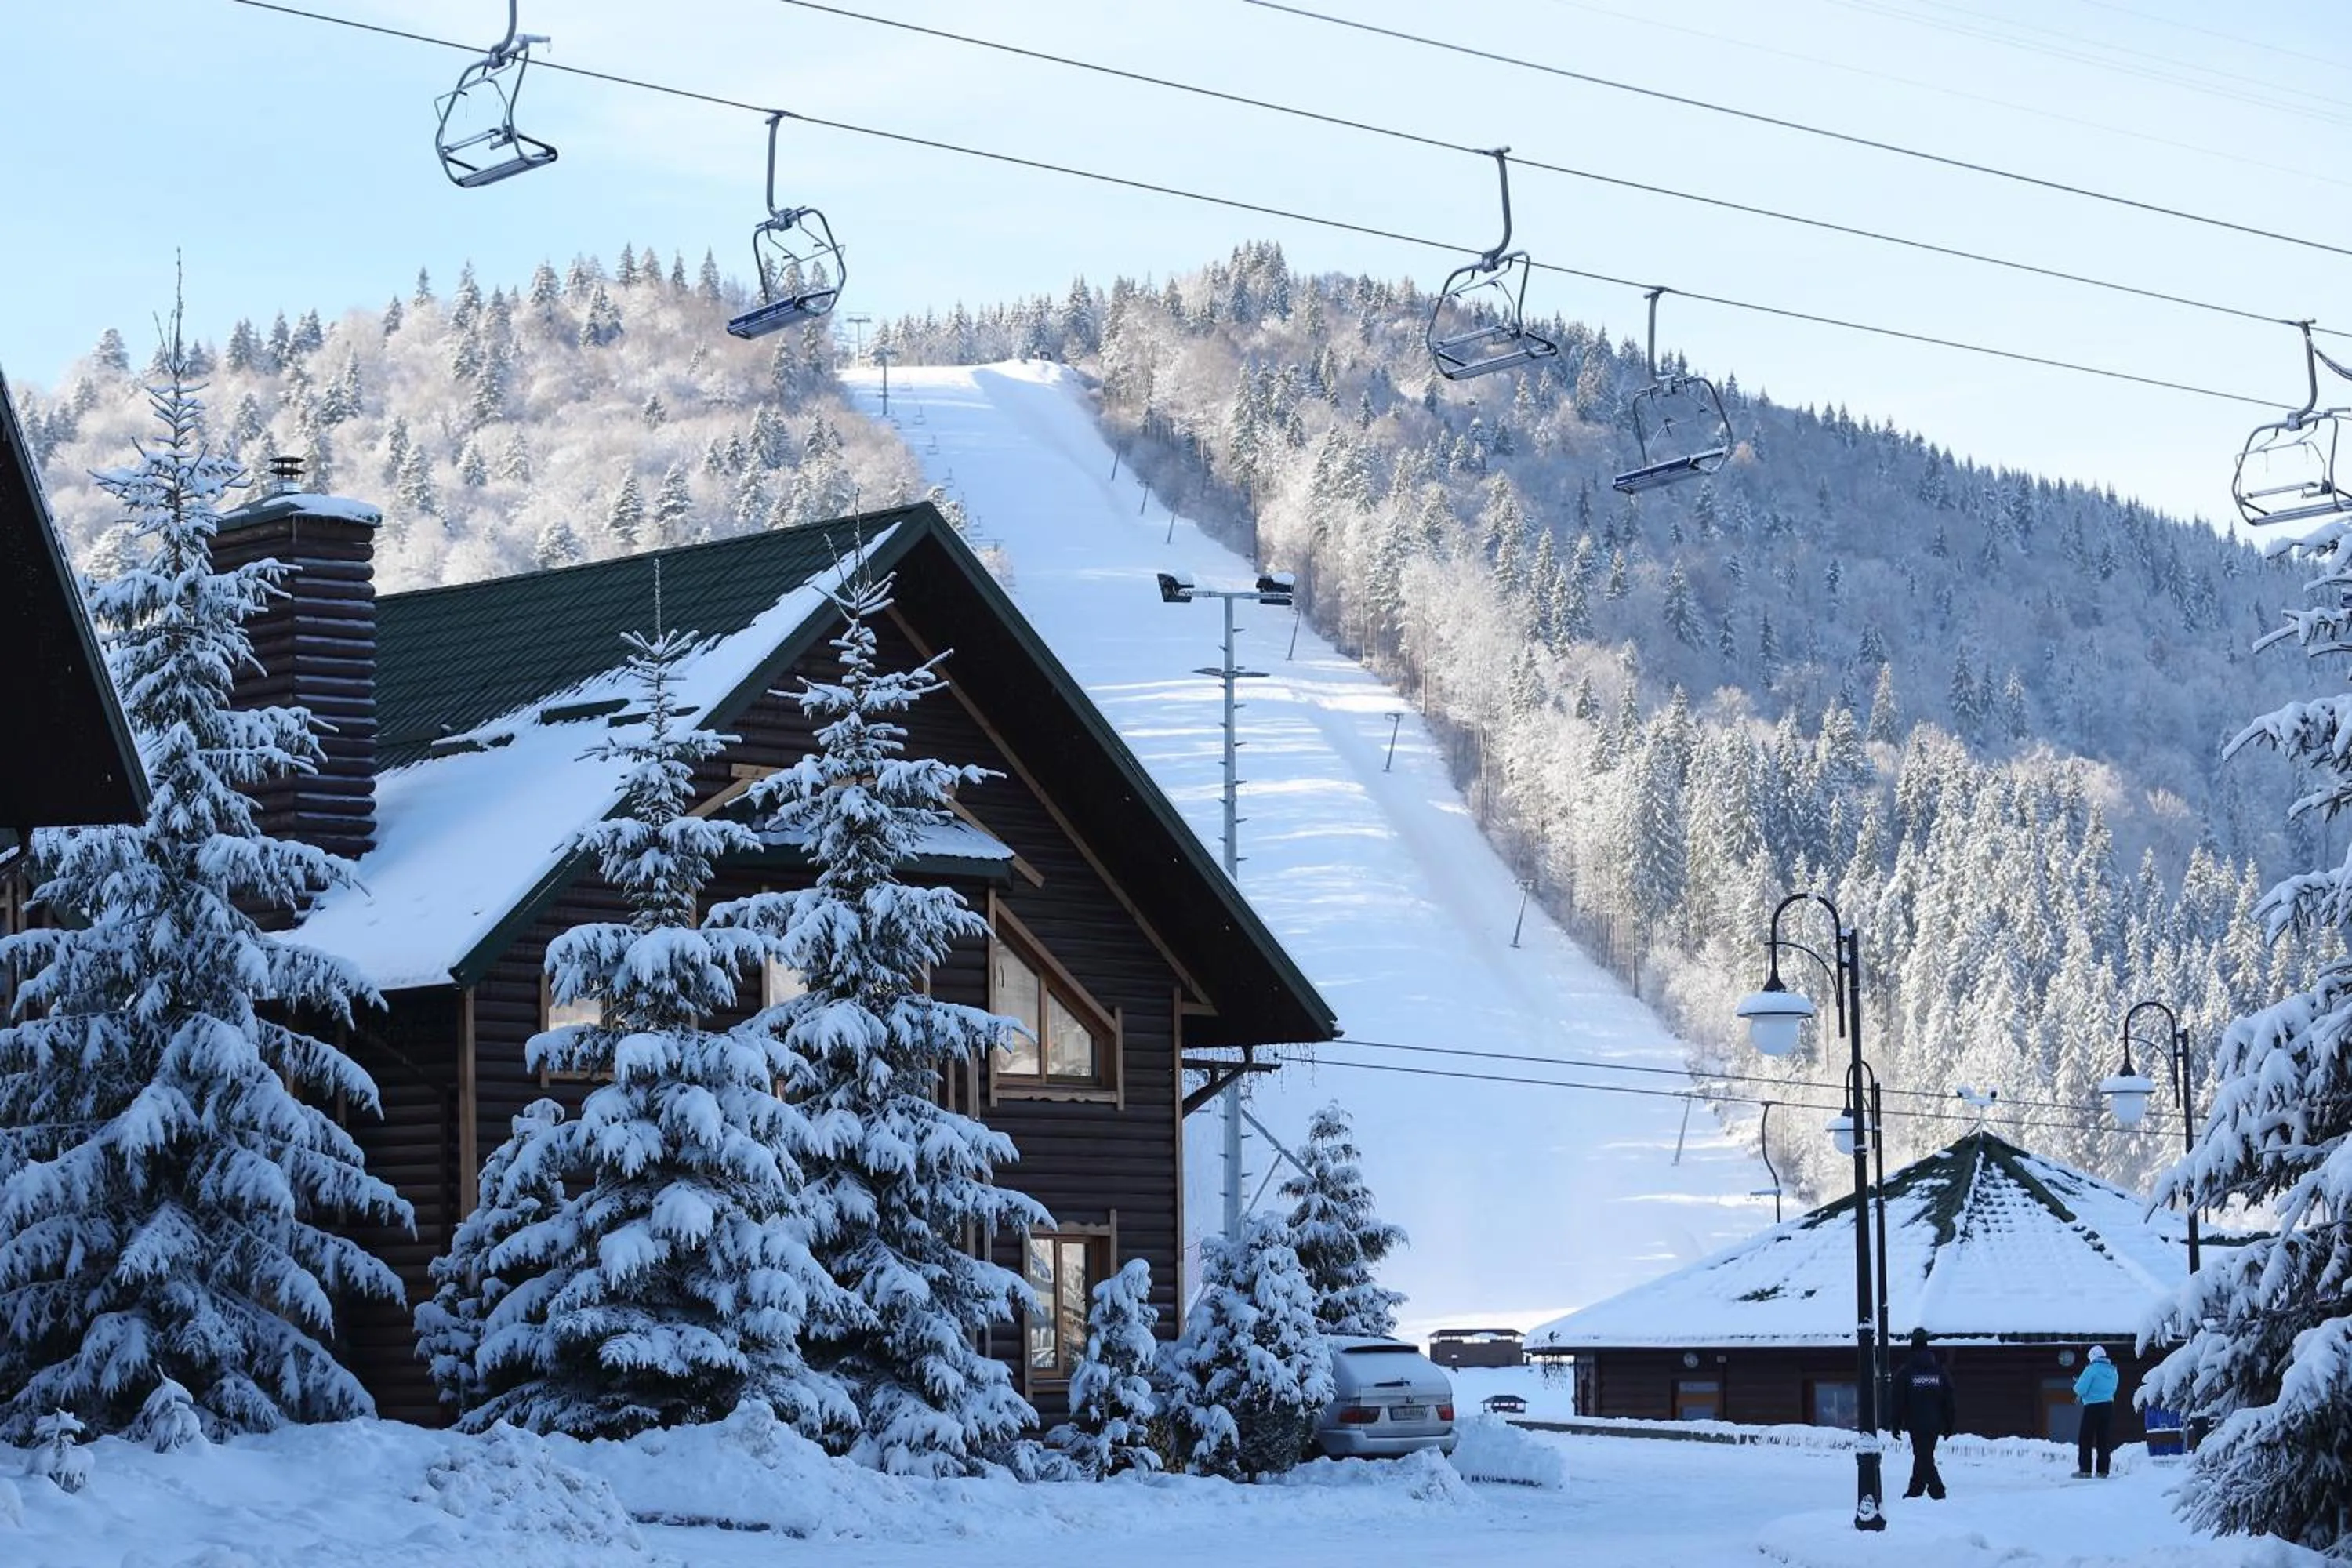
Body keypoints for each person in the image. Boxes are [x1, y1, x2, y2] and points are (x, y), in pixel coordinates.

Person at [1891, 1327, 1957, 1500]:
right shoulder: (1939, 1371)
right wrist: (1949, 1424)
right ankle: (1916, 1489)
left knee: (1923, 1455)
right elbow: (1949, 1398)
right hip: (1935, 1423)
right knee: (1924, 1453)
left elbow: (1897, 1399)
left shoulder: (1906, 1372)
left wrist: (1895, 1423)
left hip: (1915, 1423)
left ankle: (1937, 1490)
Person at [2073, 1345, 2119, 1478]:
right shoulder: (2113, 1371)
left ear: (2092, 1356)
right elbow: (2112, 1389)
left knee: (2085, 1438)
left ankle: (2085, 1470)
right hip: (2108, 1406)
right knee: (2103, 1439)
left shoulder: (2091, 1369)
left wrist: (2079, 1382)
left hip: (2092, 1407)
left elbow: (2079, 1390)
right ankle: (2103, 1471)